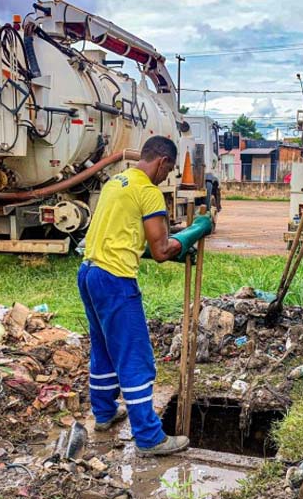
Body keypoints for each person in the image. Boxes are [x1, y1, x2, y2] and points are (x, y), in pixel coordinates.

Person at [78, 136, 213, 455]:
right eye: (169, 171)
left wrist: (165, 248)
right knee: (135, 357)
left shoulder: (116, 182)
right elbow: (162, 249)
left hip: (88, 272)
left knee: (103, 349)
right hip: (114, 279)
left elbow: (125, 238)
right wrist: (197, 230)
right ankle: (150, 438)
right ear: (162, 161)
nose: (167, 177)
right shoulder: (148, 192)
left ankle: (105, 413)